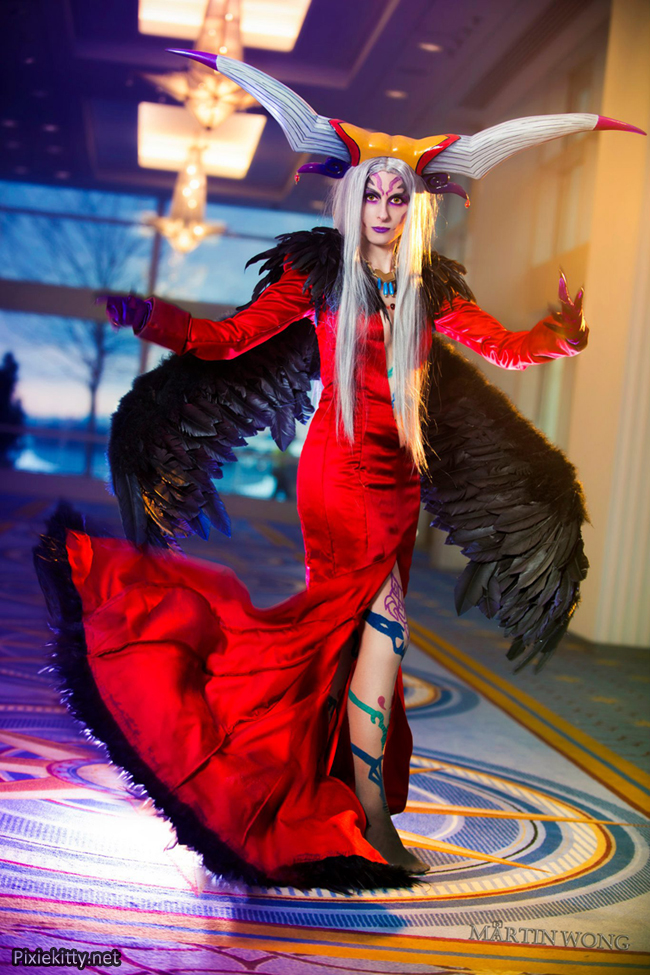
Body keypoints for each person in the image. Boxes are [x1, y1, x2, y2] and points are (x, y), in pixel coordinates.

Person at [34, 53, 643, 891]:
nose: (386, 209)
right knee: (386, 627)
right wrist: (158, 319)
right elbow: (228, 339)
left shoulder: (430, 287)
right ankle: (373, 815)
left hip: (400, 481)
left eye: (399, 197)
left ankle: (332, 789)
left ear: (414, 206)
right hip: (340, 474)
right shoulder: (321, 275)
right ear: (351, 200)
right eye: (374, 195)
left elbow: (503, 346)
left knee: (355, 638)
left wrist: (559, 337)